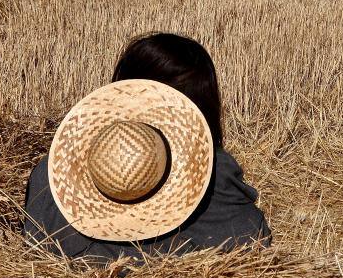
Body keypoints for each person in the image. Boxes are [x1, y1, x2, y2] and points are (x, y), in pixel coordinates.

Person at [23, 33, 271, 263]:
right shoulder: (219, 181)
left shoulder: (52, 176)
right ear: (203, 107)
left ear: (120, 92)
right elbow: (252, 237)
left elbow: (36, 250)